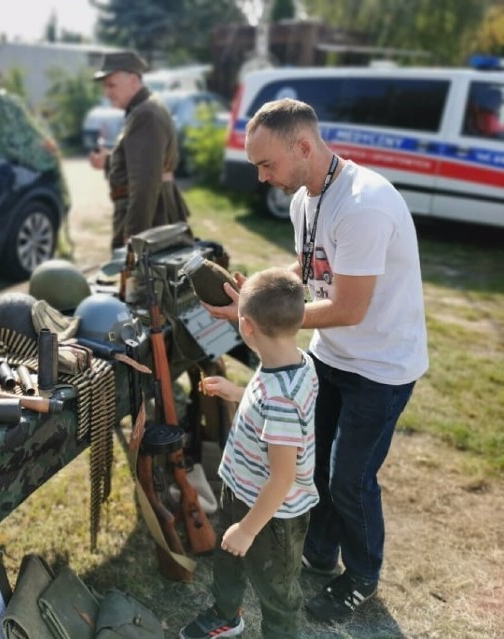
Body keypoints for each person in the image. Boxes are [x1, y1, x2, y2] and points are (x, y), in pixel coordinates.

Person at [204, 98, 429, 624]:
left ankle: (362, 575)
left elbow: (349, 307)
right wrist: (254, 296)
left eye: (267, 164)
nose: (262, 177)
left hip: (381, 368)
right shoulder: (304, 199)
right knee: (315, 465)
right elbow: (307, 270)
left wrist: (263, 318)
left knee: (349, 479)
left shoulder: (364, 204)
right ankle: (322, 554)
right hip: (332, 357)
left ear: (302, 146)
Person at [179, 267, 319, 639]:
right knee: (229, 561)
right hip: (239, 489)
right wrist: (238, 393)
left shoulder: (281, 400)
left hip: (273, 517)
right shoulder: (293, 360)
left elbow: (282, 477)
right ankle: (227, 614)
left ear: (247, 328)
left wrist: (247, 529)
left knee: (277, 592)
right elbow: (271, 407)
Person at [88, 51, 190, 251]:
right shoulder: (145, 108)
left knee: (140, 280)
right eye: (105, 86)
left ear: (133, 81)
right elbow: (144, 163)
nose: (106, 93)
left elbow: (145, 183)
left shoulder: (145, 114)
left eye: (111, 85)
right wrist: (109, 161)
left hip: (151, 219)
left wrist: (134, 240)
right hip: (155, 213)